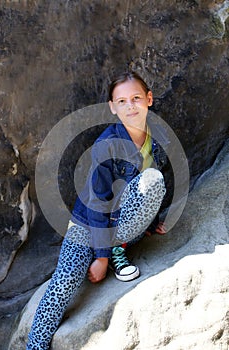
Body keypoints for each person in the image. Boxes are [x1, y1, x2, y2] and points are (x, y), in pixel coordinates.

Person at [26, 71, 169, 349]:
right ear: (112, 107)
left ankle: (119, 248)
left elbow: (152, 182)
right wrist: (101, 257)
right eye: (123, 101)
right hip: (87, 225)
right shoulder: (107, 145)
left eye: (137, 98)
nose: (131, 106)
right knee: (65, 283)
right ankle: (36, 346)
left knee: (154, 180)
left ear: (149, 99)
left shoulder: (160, 135)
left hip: (124, 226)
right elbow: (97, 203)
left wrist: (152, 220)